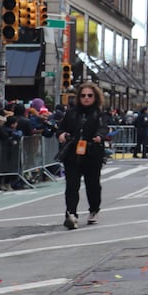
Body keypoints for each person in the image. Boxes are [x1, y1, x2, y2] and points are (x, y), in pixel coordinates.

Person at [56, 82, 110, 229]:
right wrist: (62, 134)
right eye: (83, 95)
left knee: (93, 185)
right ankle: (71, 214)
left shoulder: (99, 113)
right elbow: (61, 128)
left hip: (92, 153)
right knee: (72, 185)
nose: (86, 98)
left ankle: (94, 210)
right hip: (73, 152)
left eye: (89, 96)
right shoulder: (72, 112)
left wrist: (99, 136)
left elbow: (103, 128)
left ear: (95, 97)